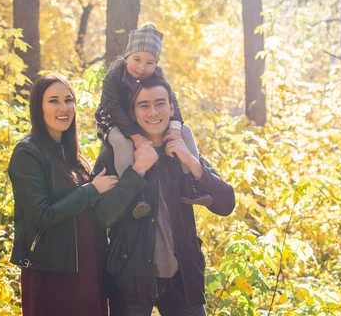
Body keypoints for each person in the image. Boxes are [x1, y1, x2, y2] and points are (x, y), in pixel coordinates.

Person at [92, 75, 236, 316]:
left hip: (183, 277)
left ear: (171, 107)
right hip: (130, 278)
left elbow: (226, 204)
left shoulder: (183, 152)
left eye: (160, 103)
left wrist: (192, 161)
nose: (153, 112)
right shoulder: (115, 155)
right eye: (144, 105)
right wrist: (137, 171)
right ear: (132, 111)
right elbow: (100, 216)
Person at [9, 74, 136, 316]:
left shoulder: (74, 156)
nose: (64, 108)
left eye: (69, 100)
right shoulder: (27, 153)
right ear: (38, 107)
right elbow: (43, 215)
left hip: (89, 266)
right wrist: (91, 190)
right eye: (53, 101)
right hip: (53, 270)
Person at [95, 23, 212, 219]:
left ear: (156, 64)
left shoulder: (158, 75)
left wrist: (175, 128)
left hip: (140, 118)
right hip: (112, 119)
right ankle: (136, 195)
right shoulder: (115, 76)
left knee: (186, 131)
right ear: (127, 57)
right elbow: (113, 108)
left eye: (149, 62)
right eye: (137, 59)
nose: (142, 67)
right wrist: (136, 137)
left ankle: (190, 186)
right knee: (123, 144)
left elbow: (173, 103)